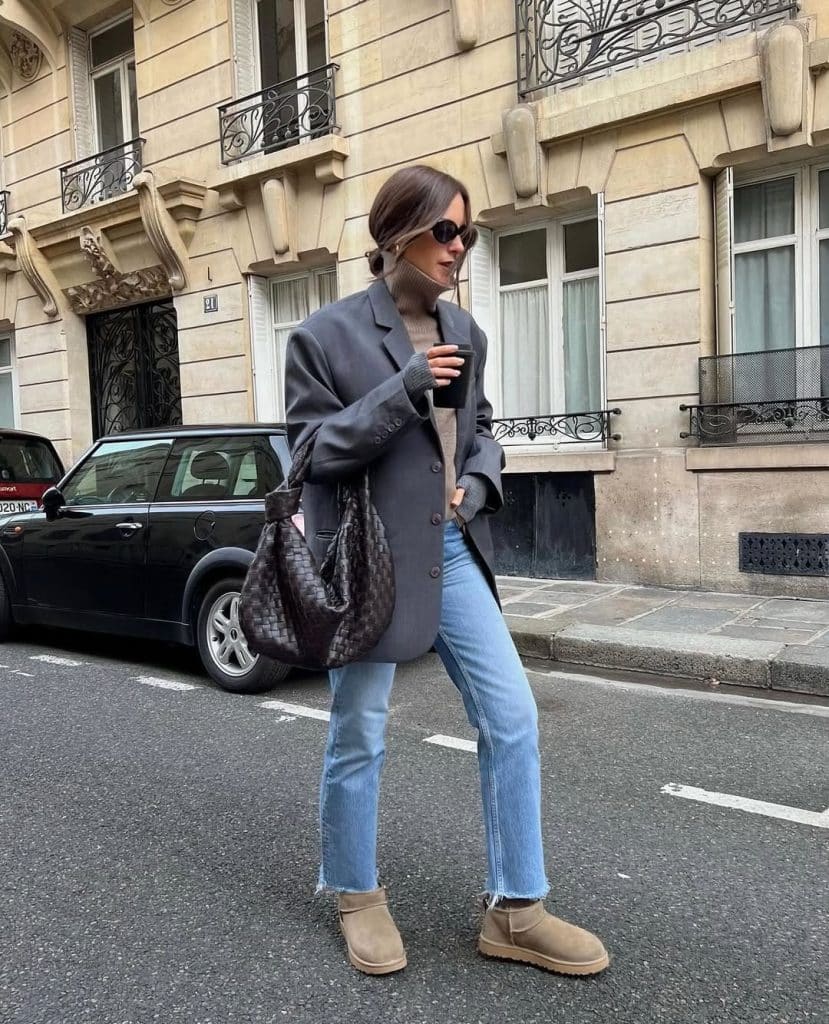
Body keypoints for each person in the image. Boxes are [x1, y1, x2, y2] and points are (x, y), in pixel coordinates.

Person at [284, 164, 609, 977]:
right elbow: (311, 454)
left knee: (513, 717)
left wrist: (484, 477)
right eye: (444, 232)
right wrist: (401, 388)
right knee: (358, 731)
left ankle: (516, 910)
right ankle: (356, 893)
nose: (458, 248)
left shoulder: (467, 329)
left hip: (454, 546)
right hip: (367, 560)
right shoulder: (322, 337)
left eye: (466, 233)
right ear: (395, 234)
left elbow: (484, 430)